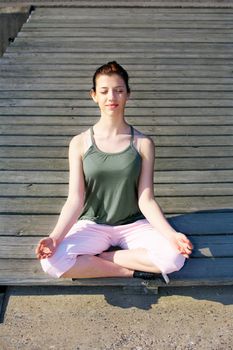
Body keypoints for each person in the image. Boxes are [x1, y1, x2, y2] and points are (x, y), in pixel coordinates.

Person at [35, 61, 193, 283]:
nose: (112, 97)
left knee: (174, 259)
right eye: (104, 91)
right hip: (93, 224)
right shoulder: (79, 143)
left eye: (119, 91)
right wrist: (55, 237)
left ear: (128, 95)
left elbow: (146, 200)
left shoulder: (143, 143)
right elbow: (75, 199)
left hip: (133, 224)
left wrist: (171, 235)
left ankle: (109, 257)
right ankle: (130, 271)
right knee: (51, 261)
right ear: (94, 96)